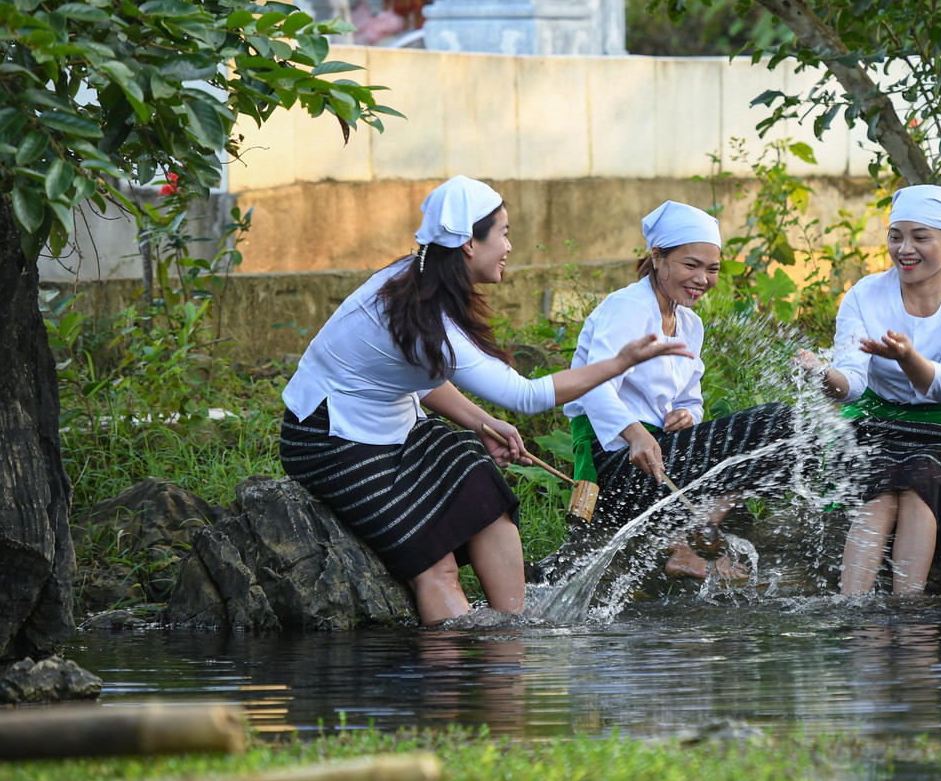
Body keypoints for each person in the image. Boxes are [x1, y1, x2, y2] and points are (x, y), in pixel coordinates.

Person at [278, 176, 686, 625]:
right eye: (504, 233)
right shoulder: (424, 311)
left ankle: (516, 630)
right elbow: (526, 396)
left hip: (387, 421)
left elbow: (420, 376)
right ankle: (462, 671)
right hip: (329, 437)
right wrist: (619, 362)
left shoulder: (422, 282)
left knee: (478, 479)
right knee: (437, 565)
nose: (510, 245)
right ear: (470, 243)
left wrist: (481, 422)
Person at [554, 201, 799, 580]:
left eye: (712, 269)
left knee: (791, 437)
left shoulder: (689, 323)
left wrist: (688, 415)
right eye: (691, 265)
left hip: (662, 457)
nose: (702, 278)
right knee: (779, 421)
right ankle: (687, 549)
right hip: (620, 463)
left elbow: (690, 400)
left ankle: (686, 544)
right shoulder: (627, 308)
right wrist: (635, 432)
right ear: (657, 258)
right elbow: (592, 384)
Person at [795, 186, 941, 598]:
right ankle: (852, 609)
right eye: (896, 236)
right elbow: (851, 385)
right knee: (879, 490)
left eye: (920, 237)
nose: (905, 249)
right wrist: (820, 375)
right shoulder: (864, 296)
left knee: (920, 483)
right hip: (881, 419)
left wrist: (908, 357)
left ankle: (909, 609)